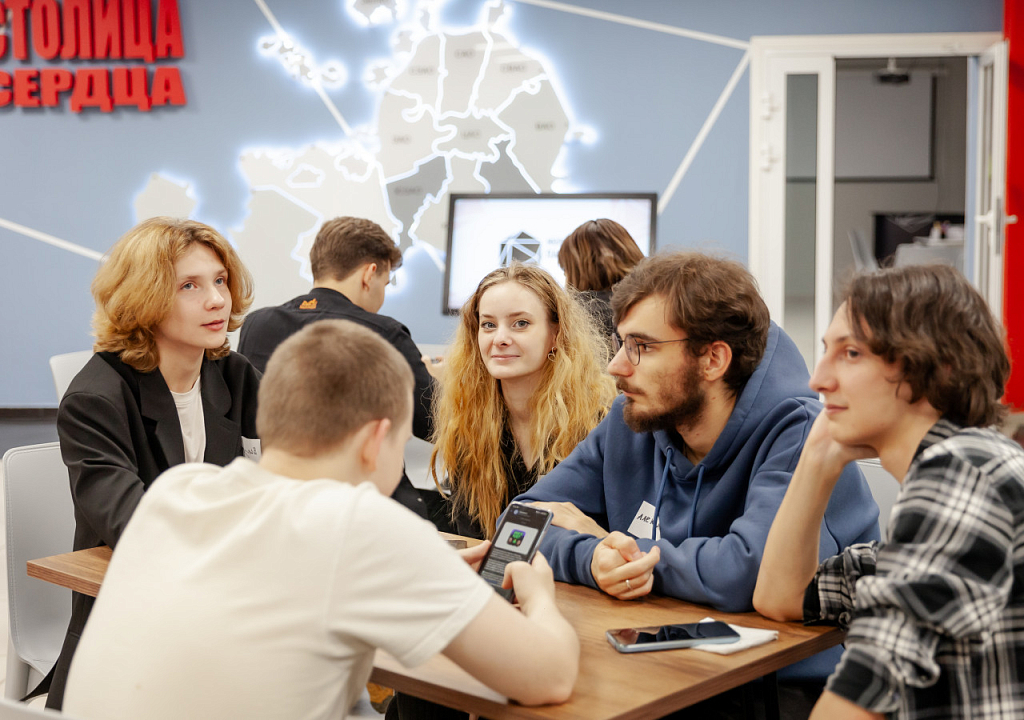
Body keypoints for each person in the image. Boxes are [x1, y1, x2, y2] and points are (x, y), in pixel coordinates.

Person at [62, 320, 580, 720]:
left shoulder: (177, 492)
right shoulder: (362, 525)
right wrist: (538, 594)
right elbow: (549, 677)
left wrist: (422, 571)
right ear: (375, 440)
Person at [514, 251, 879, 682]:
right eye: (620, 343)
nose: (616, 367)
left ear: (713, 360)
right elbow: (519, 523)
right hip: (663, 669)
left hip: (787, 688)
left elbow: (748, 572)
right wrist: (594, 558)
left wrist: (618, 549)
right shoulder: (632, 419)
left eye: (642, 347)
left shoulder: (799, 432)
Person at [754, 264, 1024, 720]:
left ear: (937, 367)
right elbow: (781, 597)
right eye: (826, 351)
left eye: (851, 353)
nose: (818, 380)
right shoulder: (969, 468)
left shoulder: (962, 474)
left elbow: (862, 698)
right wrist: (818, 457)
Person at [50, 217, 261, 709]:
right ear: (144, 299)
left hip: (226, 607)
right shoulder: (95, 399)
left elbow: (285, 481)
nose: (217, 299)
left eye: (220, 280)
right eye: (190, 286)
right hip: (131, 626)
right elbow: (137, 524)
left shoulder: (235, 375)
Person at [238, 216, 434, 520]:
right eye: (385, 283)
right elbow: (437, 423)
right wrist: (436, 381)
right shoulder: (383, 333)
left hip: (275, 499)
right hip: (364, 508)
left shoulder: (256, 324)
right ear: (369, 274)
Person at [429, 263, 616, 539]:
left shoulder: (599, 423)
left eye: (521, 324)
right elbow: (477, 539)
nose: (500, 339)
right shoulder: (468, 425)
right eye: (488, 325)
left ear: (556, 334)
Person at [558, 218, 644, 338]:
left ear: (576, 271)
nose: (565, 276)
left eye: (565, 269)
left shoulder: (573, 317)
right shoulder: (653, 304)